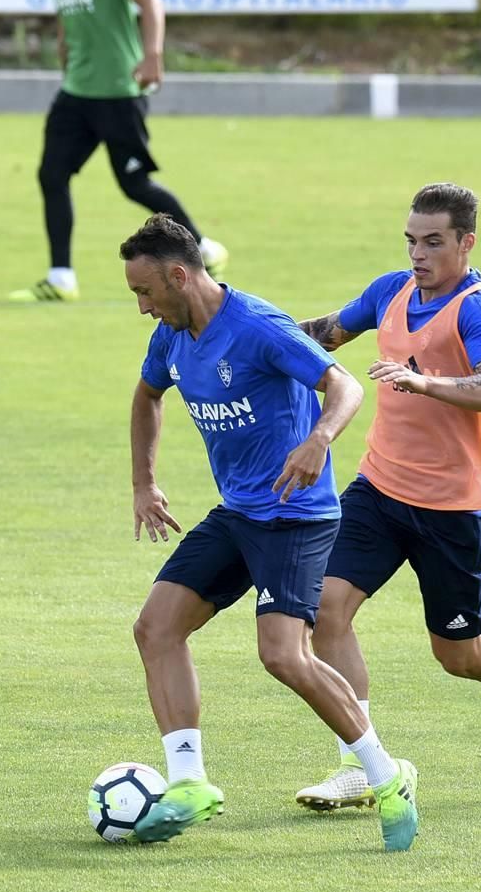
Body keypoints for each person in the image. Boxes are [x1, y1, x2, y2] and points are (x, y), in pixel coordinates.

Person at [120, 214, 418, 851]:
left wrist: (318, 439)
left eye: (146, 292)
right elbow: (147, 397)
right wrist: (144, 482)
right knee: (156, 627)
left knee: (283, 656)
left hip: (296, 514)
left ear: (180, 275)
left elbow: (342, 387)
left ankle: (386, 776)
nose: (143, 308)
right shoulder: (173, 338)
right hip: (239, 513)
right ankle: (189, 783)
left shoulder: (256, 327)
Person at [294, 181, 481, 812]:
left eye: (434, 242)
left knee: (459, 655)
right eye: (412, 241)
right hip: (381, 489)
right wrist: (249, 329)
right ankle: (361, 765)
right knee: (326, 610)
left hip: (453, 509)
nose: (419, 254)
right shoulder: (391, 289)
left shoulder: (477, 308)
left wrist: (424, 381)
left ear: (466, 243)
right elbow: (326, 334)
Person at [11, 0, 227, 303]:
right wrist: (65, 50)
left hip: (117, 91)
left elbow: (148, 0)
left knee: (135, 184)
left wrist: (152, 55)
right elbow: (68, 17)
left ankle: (203, 248)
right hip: (77, 91)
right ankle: (61, 279)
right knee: (51, 174)